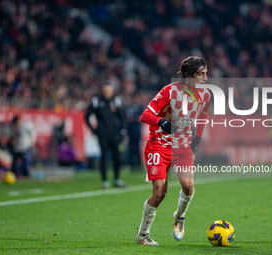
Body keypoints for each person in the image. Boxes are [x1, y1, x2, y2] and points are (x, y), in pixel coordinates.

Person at [136, 56, 211, 245]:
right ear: (190, 75)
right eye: (201, 74)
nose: (205, 77)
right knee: (160, 192)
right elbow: (145, 114)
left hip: (182, 147)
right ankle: (142, 234)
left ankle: (180, 216)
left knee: (188, 185)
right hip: (159, 145)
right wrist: (161, 121)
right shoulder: (169, 91)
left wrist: (197, 139)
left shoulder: (205, 95)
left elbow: (202, 116)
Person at [85, 84, 126, 189]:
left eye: (109, 90)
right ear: (102, 91)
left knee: (117, 157)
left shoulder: (116, 101)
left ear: (112, 91)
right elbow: (87, 116)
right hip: (103, 135)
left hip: (114, 134)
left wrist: (122, 131)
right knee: (104, 157)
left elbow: (121, 117)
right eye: (105, 90)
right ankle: (105, 181)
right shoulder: (97, 102)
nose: (107, 93)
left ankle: (117, 179)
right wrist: (94, 129)